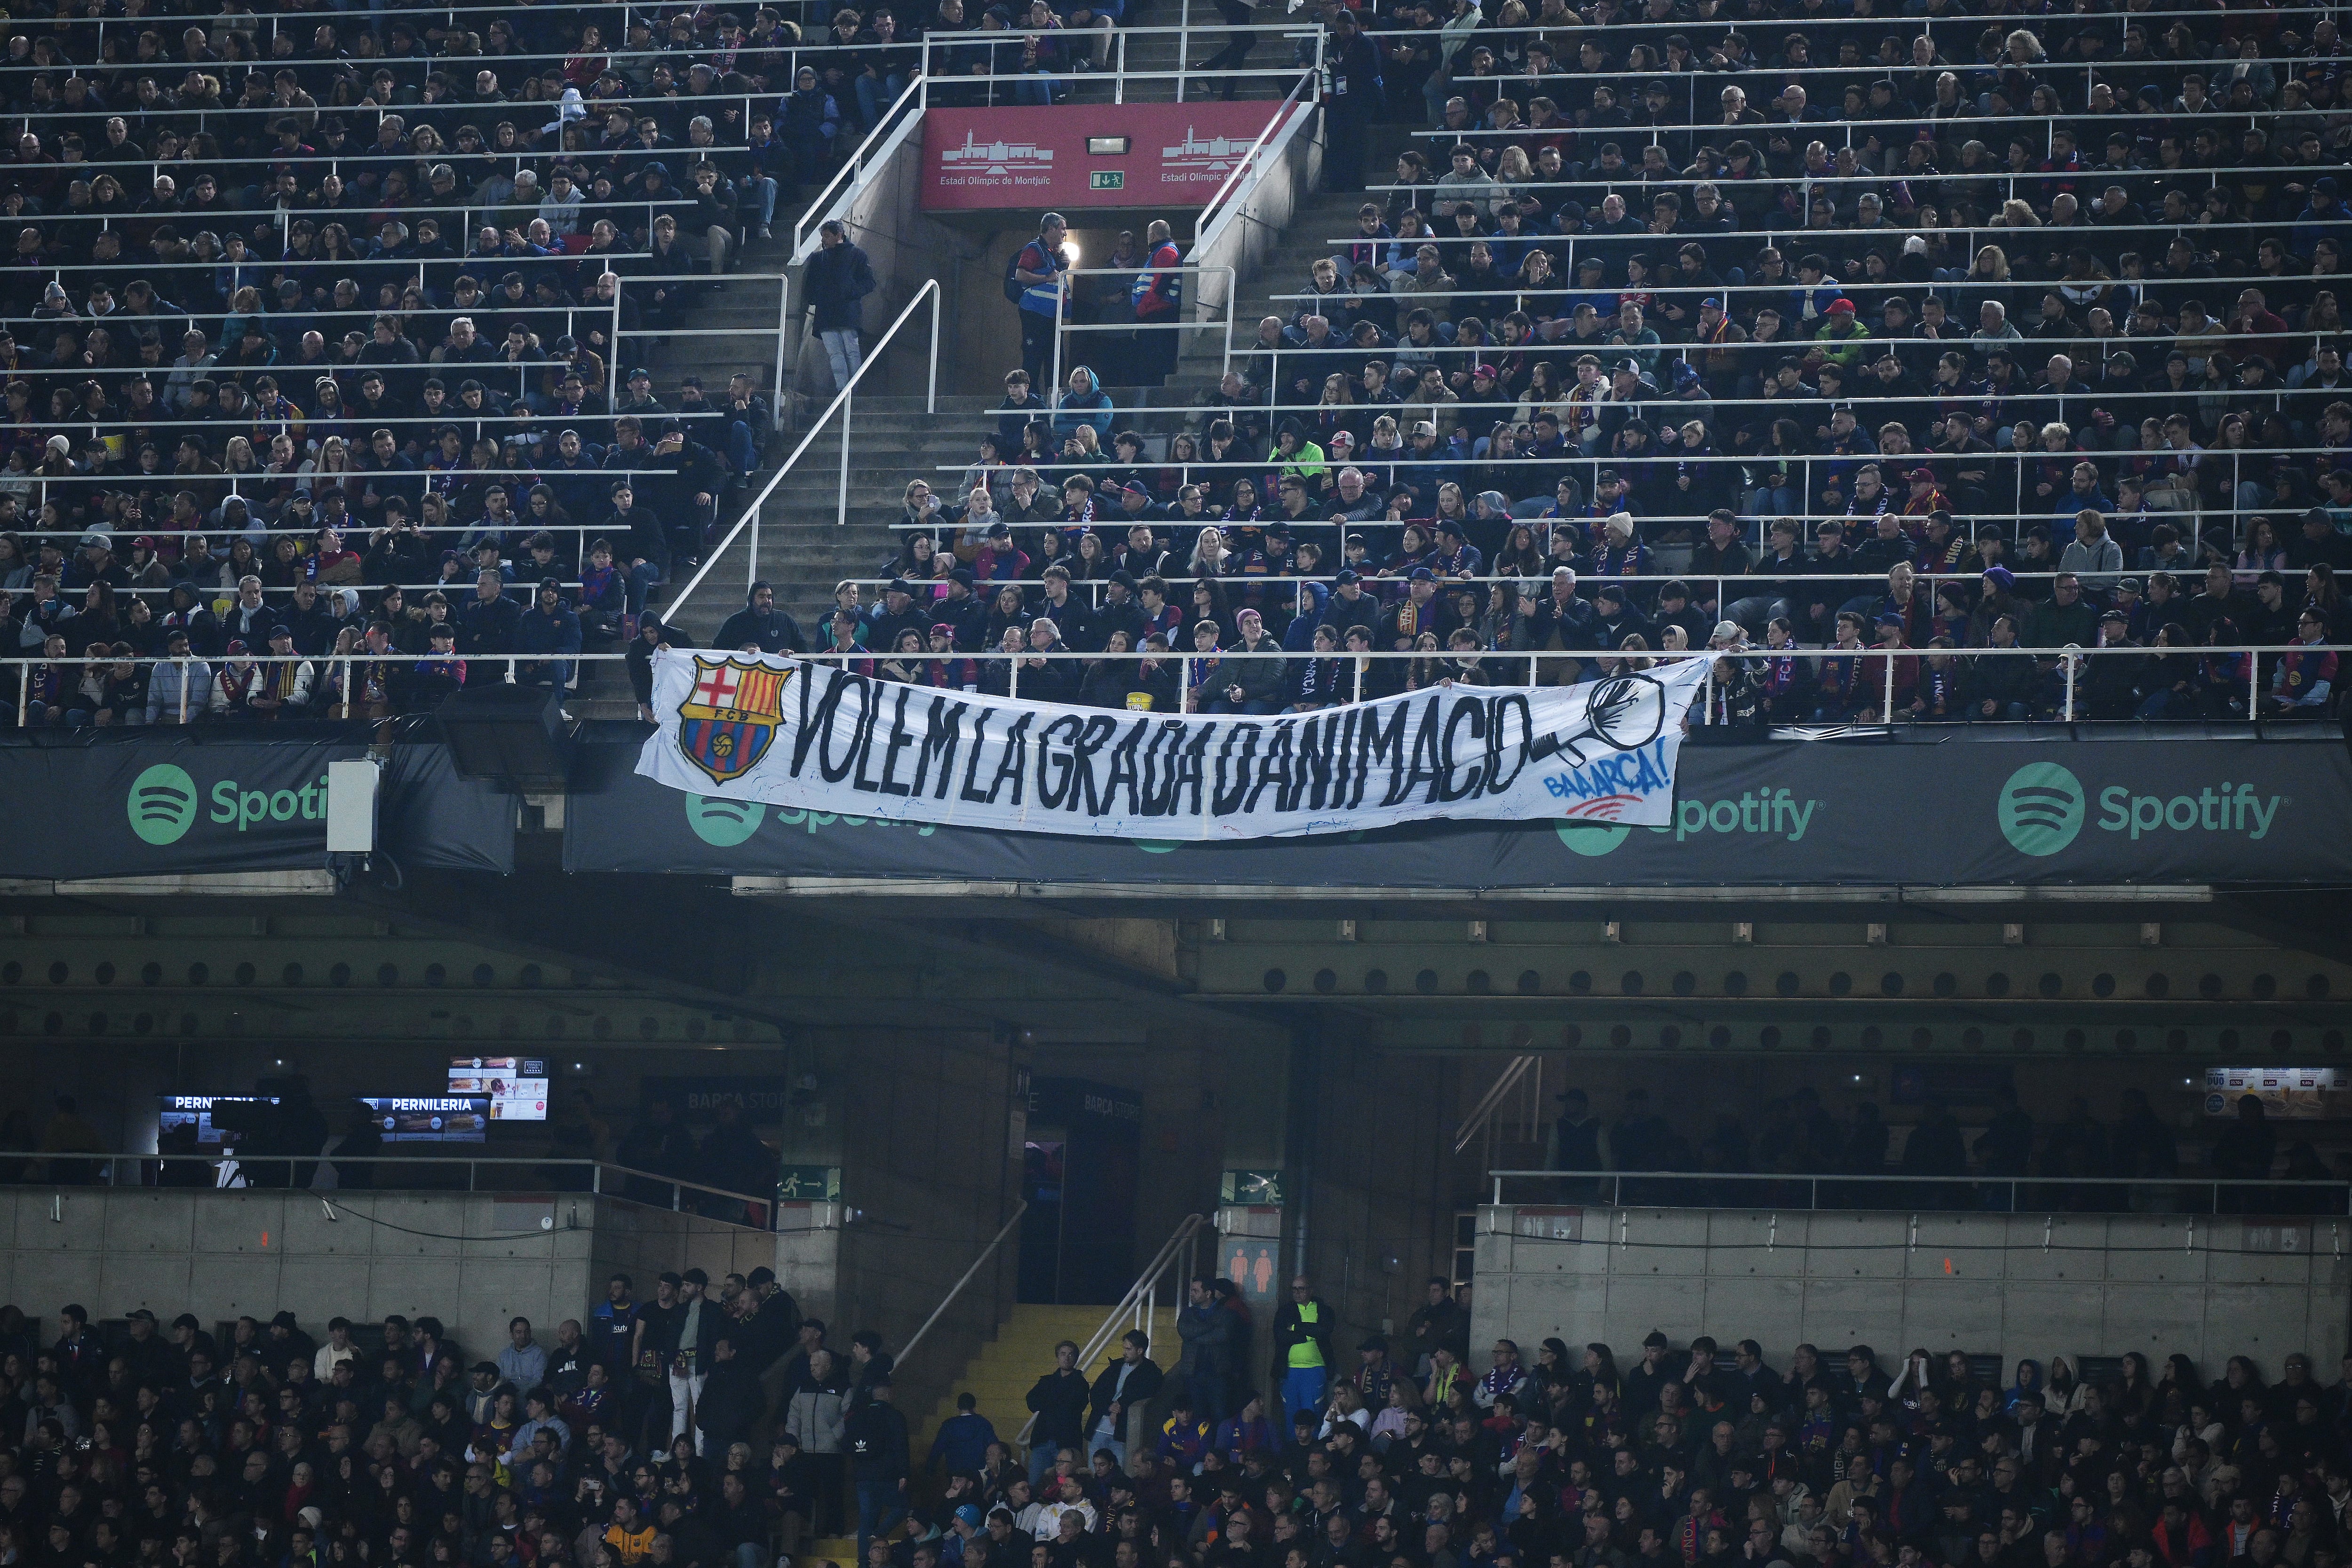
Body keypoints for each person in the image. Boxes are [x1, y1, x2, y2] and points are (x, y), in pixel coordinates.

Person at [807, 220, 878, 396]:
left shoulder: (857, 255)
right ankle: (843, 389)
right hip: (832, 311)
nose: (824, 241)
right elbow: (811, 284)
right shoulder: (819, 258)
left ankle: (851, 388)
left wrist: (850, 291)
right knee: (837, 353)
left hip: (845, 310)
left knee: (849, 351)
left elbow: (870, 282)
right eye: (823, 237)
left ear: (839, 236)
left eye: (827, 236)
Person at [1012, 214, 1073, 385]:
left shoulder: (1051, 254)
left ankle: (1052, 402)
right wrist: (1046, 278)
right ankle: (1029, 402)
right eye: (1062, 229)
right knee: (1033, 360)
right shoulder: (1034, 249)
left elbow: (1055, 279)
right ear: (1051, 228)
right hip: (1035, 315)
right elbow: (1020, 274)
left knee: (1056, 362)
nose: (1064, 234)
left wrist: (1062, 268)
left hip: (1051, 317)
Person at [1271, 1275, 1335, 1432]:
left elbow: (1323, 1331)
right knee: (1291, 1415)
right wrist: (1309, 1334)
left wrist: (1295, 1327)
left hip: (1316, 1369)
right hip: (1289, 1371)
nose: (1297, 1292)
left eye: (1301, 1289)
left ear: (1311, 1290)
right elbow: (1280, 1336)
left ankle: (1313, 1452)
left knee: (1314, 1413)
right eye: (1294, 1289)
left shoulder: (1324, 1310)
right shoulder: (1285, 1311)